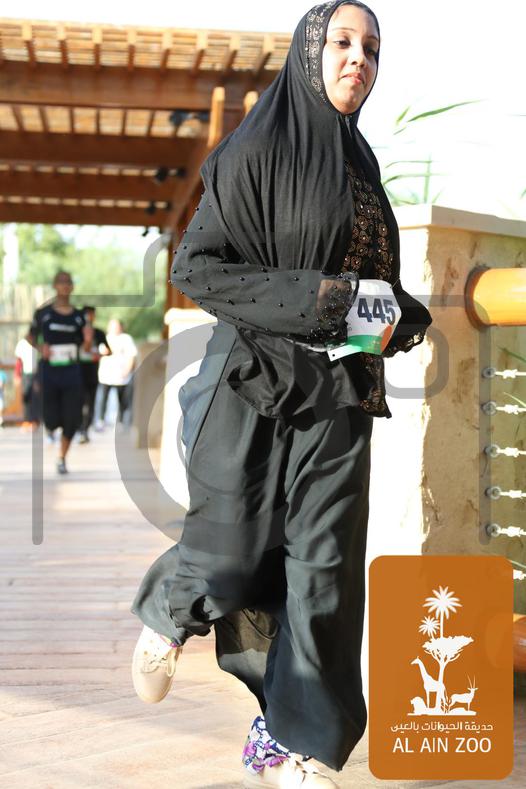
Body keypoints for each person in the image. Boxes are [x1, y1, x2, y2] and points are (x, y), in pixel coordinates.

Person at [131, 2, 432, 787]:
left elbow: (366, 288)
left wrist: (397, 316)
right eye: (342, 43)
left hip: (339, 399)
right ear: (307, 53)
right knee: (230, 555)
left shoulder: (363, 169)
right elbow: (198, 270)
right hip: (252, 387)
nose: (359, 59)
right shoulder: (253, 152)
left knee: (324, 573)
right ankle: (173, 607)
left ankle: (302, 744)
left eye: (372, 48)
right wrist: (325, 301)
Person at [27, 271, 93, 474]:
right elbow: (30, 336)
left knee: (72, 418)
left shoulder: (80, 316)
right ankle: (51, 427)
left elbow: (86, 347)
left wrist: (88, 340)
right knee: (51, 418)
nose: (65, 286)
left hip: (72, 371)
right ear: (55, 285)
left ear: (72, 287)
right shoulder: (43, 313)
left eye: (68, 282)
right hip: (49, 371)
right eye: (61, 282)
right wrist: (41, 348)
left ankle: (62, 458)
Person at [78, 306, 111, 443]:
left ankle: (85, 430)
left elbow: (109, 351)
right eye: (87, 314)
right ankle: (78, 428)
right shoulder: (76, 332)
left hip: (92, 372)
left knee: (90, 402)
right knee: (78, 402)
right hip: (77, 372)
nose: (89, 317)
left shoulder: (99, 333)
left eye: (91, 314)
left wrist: (98, 354)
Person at [97, 319, 137, 428]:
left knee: (123, 401)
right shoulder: (104, 338)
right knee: (103, 399)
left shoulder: (126, 338)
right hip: (106, 376)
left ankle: (122, 422)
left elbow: (132, 356)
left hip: (122, 376)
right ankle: (101, 420)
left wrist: (127, 370)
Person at [14, 336, 39, 428]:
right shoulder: (22, 344)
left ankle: (36, 421)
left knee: (36, 397)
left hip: (37, 374)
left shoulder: (38, 342)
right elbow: (19, 361)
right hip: (26, 374)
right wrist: (17, 374)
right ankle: (27, 420)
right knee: (26, 397)